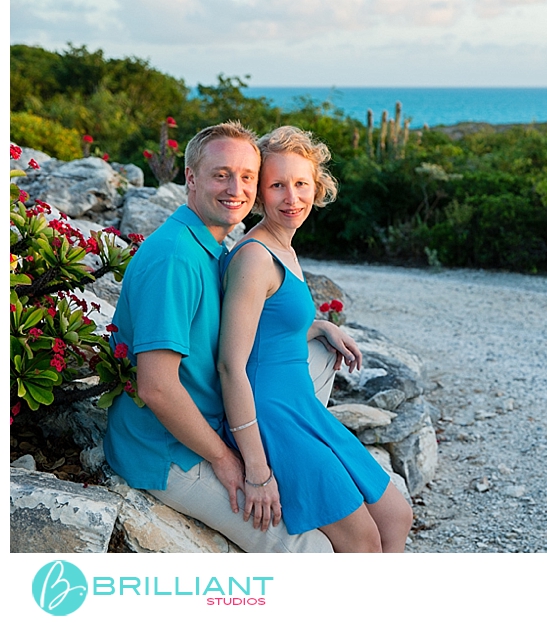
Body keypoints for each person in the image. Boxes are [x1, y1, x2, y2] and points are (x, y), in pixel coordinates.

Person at [103, 121, 354, 552]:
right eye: (221, 174)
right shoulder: (175, 259)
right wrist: (231, 462)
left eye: (247, 177)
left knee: (317, 350)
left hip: (216, 414)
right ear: (191, 178)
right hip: (171, 450)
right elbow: (157, 387)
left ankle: (301, 452)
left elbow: (229, 329)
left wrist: (316, 326)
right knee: (318, 552)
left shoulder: (211, 243)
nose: (235, 187)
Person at [217, 126, 413, 552]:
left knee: (397, 515)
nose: (292, 197)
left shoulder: (284, 246)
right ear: (258, 193)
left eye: (301, 184)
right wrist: (256, 468)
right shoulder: (253, 257)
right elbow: (231, 364)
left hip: (302, 405)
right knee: (362, 544)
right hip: (272, 417)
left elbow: (267, 325)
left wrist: (319, 326)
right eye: (277, 185)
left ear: (317, 186)